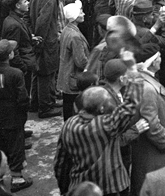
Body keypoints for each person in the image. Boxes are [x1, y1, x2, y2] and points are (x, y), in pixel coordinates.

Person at [54, 67, 148, 196]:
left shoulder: (69, 124)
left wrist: (65, 189)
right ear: (102, 108)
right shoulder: (104, 125)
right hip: (111, 186)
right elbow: (129, 107)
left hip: (81, 186)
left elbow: (60, 162)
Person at [0, 39, 32, 192]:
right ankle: (17, 178)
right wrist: (23, 111)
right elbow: (22, 98)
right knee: (16, 146)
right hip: (14, 117)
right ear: (10, 55)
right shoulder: (16, 73)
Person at [131, 46, 165, 196]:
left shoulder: (144, 81)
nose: (160, 60)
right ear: (153, 61)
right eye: (158, 57)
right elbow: (152, 125)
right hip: (155, 155)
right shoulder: (148, 89)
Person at [29, 0, 65, 118]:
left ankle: (37, 103)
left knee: (39, 74)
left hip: (43, 41)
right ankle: (45, 107)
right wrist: (40, 41)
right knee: (46, 74)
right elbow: (42, 22)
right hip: (46, 42)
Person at [58, 1, 90, 121]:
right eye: (81, 12)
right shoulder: (75, 36)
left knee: (67, 108)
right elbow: (80, 61)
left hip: (66, 75)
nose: (84, 13)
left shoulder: (66, 30)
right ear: (75, 17)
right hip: (73, 77)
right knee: (73, 111)